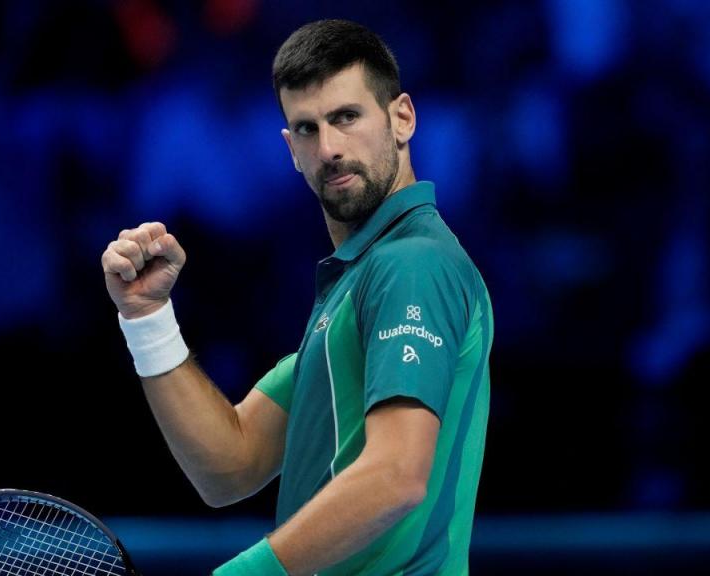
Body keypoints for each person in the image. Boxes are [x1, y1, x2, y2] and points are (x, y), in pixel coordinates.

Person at [101, 19, 493, 575]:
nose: (329, 147)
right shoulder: (358, 285)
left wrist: (247, 574)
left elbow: (398, 474)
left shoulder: (413, 263)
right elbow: (229, 468)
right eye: (307, 129)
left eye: (347, 117)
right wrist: (147, 318)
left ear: (402, 117)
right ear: (290, 148)